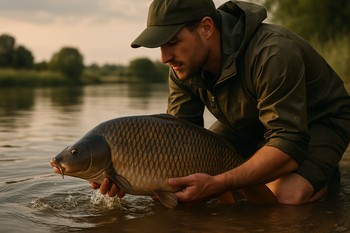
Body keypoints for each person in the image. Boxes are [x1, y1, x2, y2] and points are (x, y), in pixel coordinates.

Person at [91, 0, 350, 205]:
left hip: (316, 123)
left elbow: (289, 142)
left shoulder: (273, 53)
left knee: (283, 197)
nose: (164, 57)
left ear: (206, 27)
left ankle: (322, 177)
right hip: (248, 123)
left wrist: (220, 183)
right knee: (194, 192)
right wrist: (132, 178)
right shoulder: (182, 67)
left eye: (172, 42)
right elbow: (179, 137)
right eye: (160, 46)